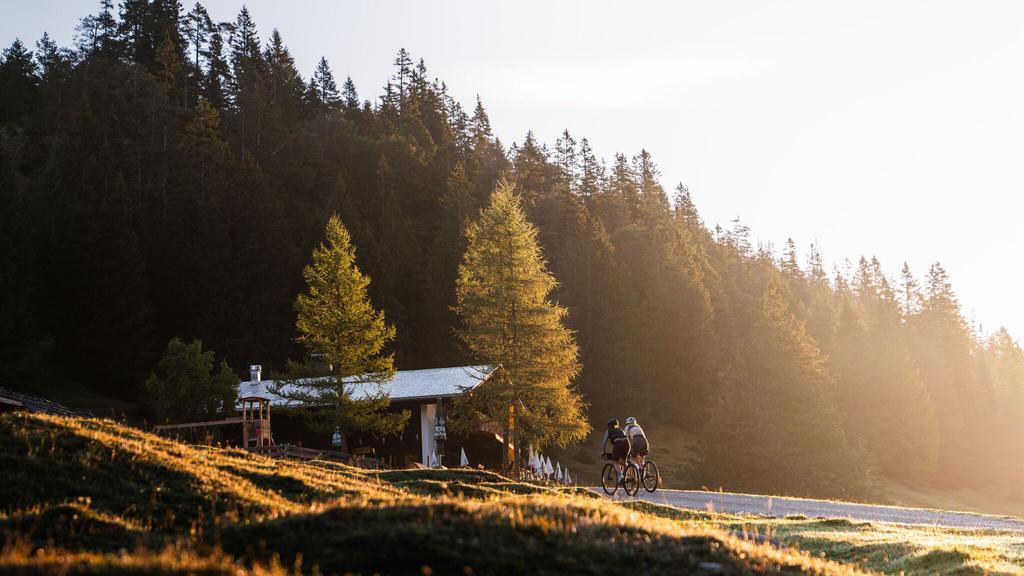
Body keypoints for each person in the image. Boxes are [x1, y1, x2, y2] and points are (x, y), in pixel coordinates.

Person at [601, 418, 630, 483]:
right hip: (627, 443)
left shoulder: (609, 431)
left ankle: (620, 476)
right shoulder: (621, 429)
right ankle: (627, 476)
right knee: (624, 461)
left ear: (609, 426)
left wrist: (603, 452)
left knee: (615, 461)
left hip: (618, 444)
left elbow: (604, 442)